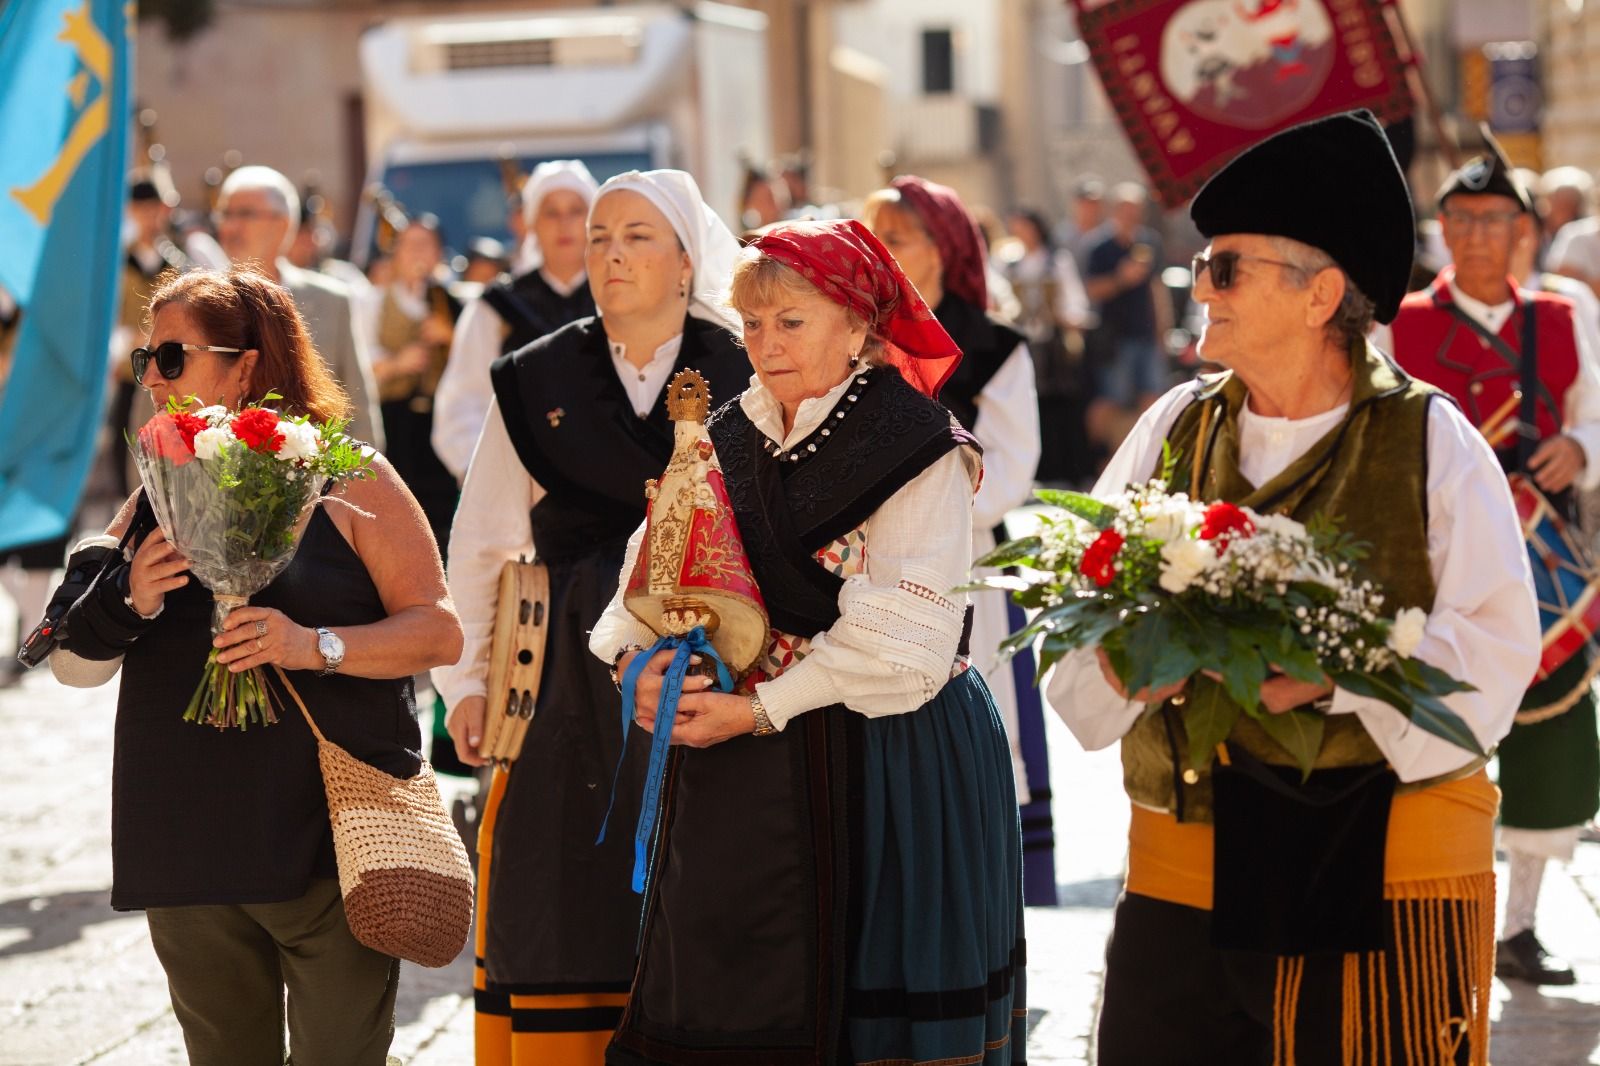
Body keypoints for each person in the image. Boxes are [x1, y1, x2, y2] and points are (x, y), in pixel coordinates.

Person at [1045, 110, 1539, 1064]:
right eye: (1202, 266)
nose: (1201, 288)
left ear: (1319, 296)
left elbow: (1498, 653)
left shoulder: (1432, 443)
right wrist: (1122, 664)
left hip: (1384, 872)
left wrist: (1337, 675)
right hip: (1183, 868)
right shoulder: (1173, 426)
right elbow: (1077, 610)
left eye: (1227, 268)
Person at [590, 218, 1026, 1066]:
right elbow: (649, 577)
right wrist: (631, 669)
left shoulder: (917, 446)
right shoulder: (722, 434)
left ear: (858, 326)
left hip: (887, 754)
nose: (765, 344)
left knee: (870, 1014)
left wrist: (761, 709)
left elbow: (905, 643)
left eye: (791, 322)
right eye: (752, 324)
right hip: (733, 767)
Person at [48, 267, 463, 1066]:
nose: (155, 382)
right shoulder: (147, 501)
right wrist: (130, 598)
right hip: (187, 848)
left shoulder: (354, 479)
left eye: (173, 358)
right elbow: (70, 666)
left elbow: (438, 633)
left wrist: (314, 646)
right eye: (146, 362)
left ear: (249, 363)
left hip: (331, 845)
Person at [434, 168, 751, 1065]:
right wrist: (464, 684)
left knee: (707, 886)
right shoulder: (537, 377)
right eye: (601, 235)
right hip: (566, 668)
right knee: (564, 884)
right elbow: (486, 539)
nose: (609, 253)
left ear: (688, 260)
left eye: (636, 237)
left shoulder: (745, 368)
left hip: (709, 664)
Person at [1380, 139, 1600, 987]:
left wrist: (1580, 448)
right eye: (1462, 220)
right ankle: (1427, 907)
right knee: (1438, 718)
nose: (1477, 236)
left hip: (1542, 554)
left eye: (1495, 221)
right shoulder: (1403, 321)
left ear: (1524, 232)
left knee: (1548, 726)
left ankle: (1521, 923)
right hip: (1438, 550)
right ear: (1440, 230)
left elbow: (1593, 413)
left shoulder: (1563, 314)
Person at [860, 176, 1045, 824]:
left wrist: (919, 506)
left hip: (966, 569)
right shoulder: (852, 340)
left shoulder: (995, 346)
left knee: (967, 765)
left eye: (896, 238)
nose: (879, 251)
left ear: (939, 248)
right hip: (868, 573)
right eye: (872, 238)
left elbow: (1013, 467)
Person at [432, 160, 600, 482]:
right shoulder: (498, 306)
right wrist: (488, 477)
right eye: (551, 212)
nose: (564, 223)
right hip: (517, 480)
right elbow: (461, 402)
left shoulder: (616, 298)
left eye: (575, 210)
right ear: (531, 222)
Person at [215, 165, 383, 449]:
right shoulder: (193, 303)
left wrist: (360, 485)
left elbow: (359, 408)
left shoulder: (332, 301)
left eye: (244, 214)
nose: (230, 226)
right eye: (225, 214)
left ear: (283, 224)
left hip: (315, 482)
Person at [364, 216, 462, 555]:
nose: (417, 254)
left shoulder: (453, 300)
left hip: (440, 422)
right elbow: (361, 367)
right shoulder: (374, 300)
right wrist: (398, 363)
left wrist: (450, 335)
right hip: (395, 421)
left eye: (426, 245)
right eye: (410, 245)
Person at [1083, 182, 1167, 418]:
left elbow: (1157, 289)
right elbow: (1092, 290)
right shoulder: (1099, 247)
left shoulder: (1150, 242)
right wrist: (1121, 279)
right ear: (1115, 211)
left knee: (1153, 399)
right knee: (1114, 401)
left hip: (1146, 334)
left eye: (1136, 210)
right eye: (1127, 210)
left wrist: (1163, 330)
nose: (1132, 216)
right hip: (1115, 339)